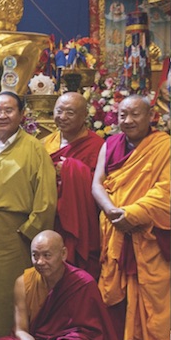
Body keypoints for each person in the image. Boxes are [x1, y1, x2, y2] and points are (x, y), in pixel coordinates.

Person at [91, 96, 171, 340]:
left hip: (146, 235)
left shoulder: (164, 146)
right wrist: (114, 213)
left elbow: (164, 191)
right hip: (115, 230)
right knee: (117, 296)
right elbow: (97, 185)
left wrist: (132, 214)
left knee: (153, 296)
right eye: (123, 115)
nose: (128, 121)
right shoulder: (109, 144)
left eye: (135, 114)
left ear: (151, 115)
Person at [0, 231, 126, 340]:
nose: (40, 262)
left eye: (47, 255)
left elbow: (91, 336)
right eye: (35, 256)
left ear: (63, 254)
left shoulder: (83, 283)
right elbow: (21, 330)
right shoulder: (24, 282)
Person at [0, 93, 58, 339]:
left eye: (9, 110)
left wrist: (30, 232)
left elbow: (46, 196)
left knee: (12, 294)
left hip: (15, 235)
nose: (2, 116)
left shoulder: (34, 148)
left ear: (21, 115)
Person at [44, 93, 106, 277]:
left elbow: (102, 184)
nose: (62, 117)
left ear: (84, 115)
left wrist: (71, 170)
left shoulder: (97, 146)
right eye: (59, 111)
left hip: (79, 221)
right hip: (50, 217)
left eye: (70, 112)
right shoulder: (46, 142)